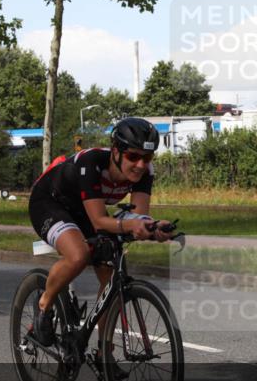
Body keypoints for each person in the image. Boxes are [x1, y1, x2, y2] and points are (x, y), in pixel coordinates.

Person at [27, 118, 173, 355]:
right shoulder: (91, 162)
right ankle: (44, 304)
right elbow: (98, 221)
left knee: (110, 279)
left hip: (86, 207)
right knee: (78, 255)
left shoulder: (145, 171)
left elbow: (138, 215)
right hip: (50, 203)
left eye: (147, 158)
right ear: (116, 151)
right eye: (133, 157)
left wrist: (154, 227)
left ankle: (104, 354)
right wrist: (131, 225)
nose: (140, 165)